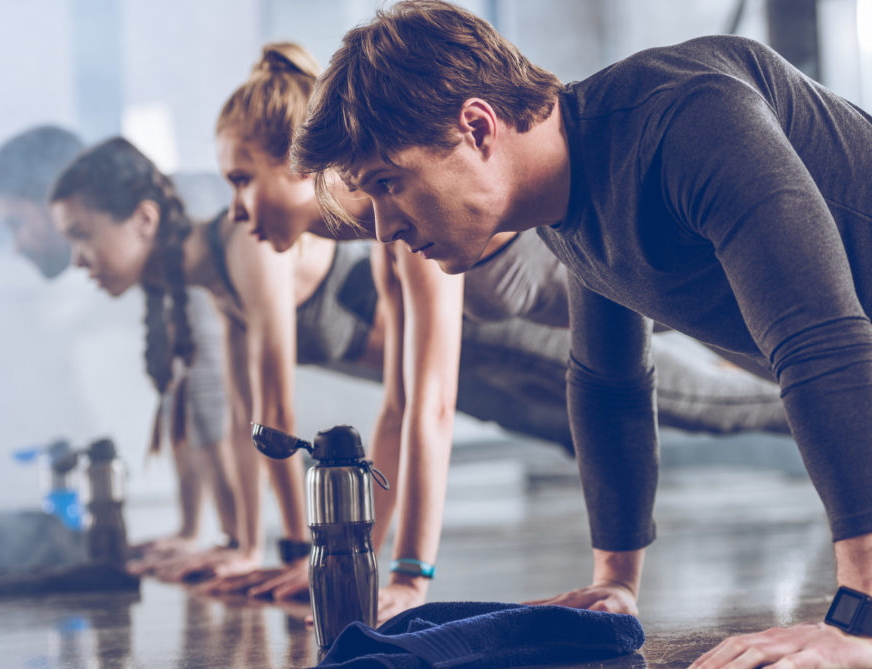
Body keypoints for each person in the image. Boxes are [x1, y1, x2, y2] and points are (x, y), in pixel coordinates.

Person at [291, 0, 872, 669]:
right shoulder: (573, 205)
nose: (380, 228)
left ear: (476, 127)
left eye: (387, 184)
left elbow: (823, 342)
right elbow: (609, 383)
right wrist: (614, 583)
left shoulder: (688, 118)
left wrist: (865, 616)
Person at [202, 43, 810, 621]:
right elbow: (399, 406)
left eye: (241, 180)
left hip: (644, 275)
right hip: (596, 301)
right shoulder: (381, 224)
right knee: (754, 386)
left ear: (292, 163)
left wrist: (411, 578)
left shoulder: (407, 201)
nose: (234, 211)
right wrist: (353, 564)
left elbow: (434, 407)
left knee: (758, 384)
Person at [0, 126, 254, 579]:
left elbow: (211, 391)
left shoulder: (181, 216)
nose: (17, 246)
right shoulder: (139, 242)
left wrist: (237, 547)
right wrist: (189, 532)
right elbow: (178, 386)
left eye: (17, 223)